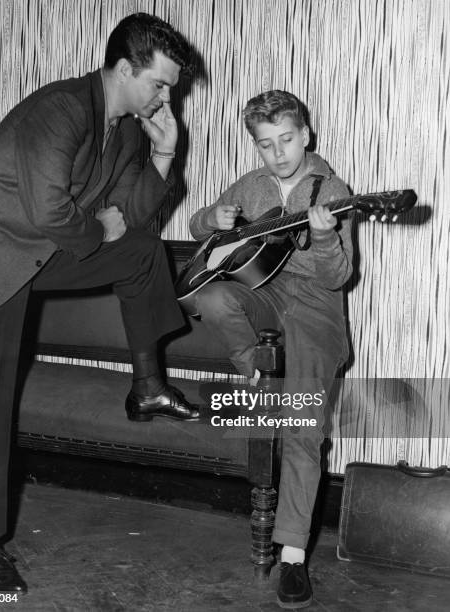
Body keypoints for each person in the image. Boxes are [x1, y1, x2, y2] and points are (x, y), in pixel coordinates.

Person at [0, 13, 200, 594]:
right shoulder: (61, 108)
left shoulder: (123, 131)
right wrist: (100, 226)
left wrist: (166, 155)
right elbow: (51, 211)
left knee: (145, 250)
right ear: (124, 70)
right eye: (160, 84)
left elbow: (132, 218)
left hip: (43, 252)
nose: (167, 96)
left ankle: (147, 386)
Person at [189, 90, 353, 609]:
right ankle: (251, 365)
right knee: (210, 295)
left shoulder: (332, 190)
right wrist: (211, 219)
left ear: (305, 134)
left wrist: (324, 238)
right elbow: (200, 227)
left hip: (315, 308)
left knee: (303, 429)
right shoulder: (254, 184)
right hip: (263, 296)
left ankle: (293, 559)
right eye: (266, 144)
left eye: (287, 139)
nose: (279, 153)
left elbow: (340, 275)